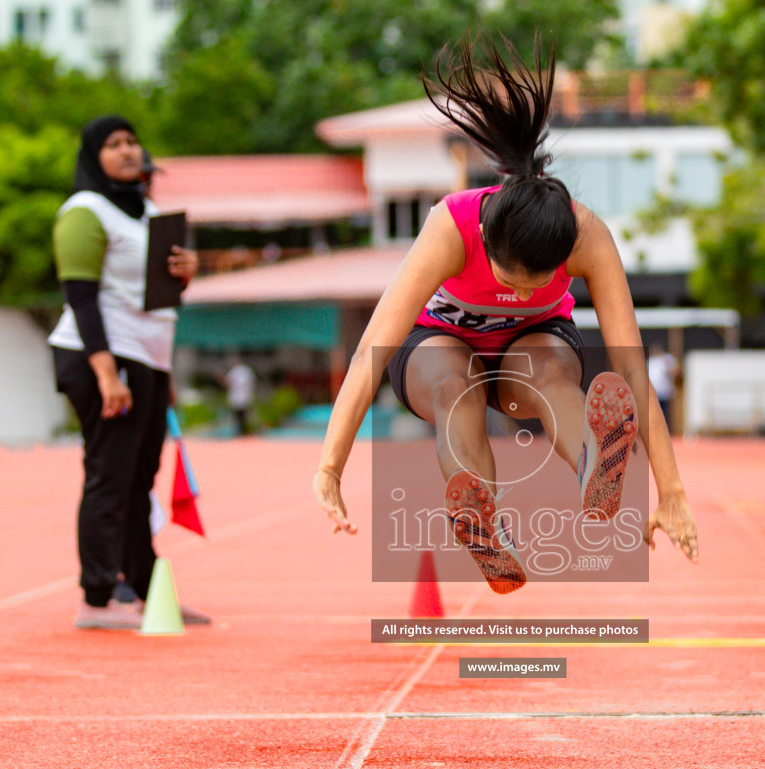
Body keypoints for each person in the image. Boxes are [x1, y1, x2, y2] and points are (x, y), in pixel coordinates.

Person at [311, 36, 699, 593]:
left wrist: (671, 490)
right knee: (456, 387)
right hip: (440, 344)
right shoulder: (451, 226)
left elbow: (632, 368)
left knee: (551, 374)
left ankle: (597, 467)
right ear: (487, 238)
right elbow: (371, 350)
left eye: (540, 280)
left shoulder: (587, 236)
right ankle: (483, 522)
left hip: (535, 348)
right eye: (508, 278)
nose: (519, 291)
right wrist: (330, 466)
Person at [50, 114, 207, 630]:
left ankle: (144, 591)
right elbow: (81, 297)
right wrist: (105, 373)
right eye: (113, 144)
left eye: (132, 141)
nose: (126, 150)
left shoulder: (148, 214)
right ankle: (97, 599)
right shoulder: (84, 211)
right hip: (101, 356)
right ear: (93, 155)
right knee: (110, 475)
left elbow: (156, 300)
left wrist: (183, 276)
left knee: (140, 477)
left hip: (147, 357)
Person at [647, 341, 680, 431]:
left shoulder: (666, 359)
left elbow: (676, 371)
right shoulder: (651, 361)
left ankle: (666, 430)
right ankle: (656, 430)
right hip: (654, 391)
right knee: (654, 412)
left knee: (665, 412)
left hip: (665, 391)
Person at [224, 360, 256, 435]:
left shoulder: (235, 371)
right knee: (244, 417)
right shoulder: (247, 371)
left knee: (239, 418)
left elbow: (229, 383)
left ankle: (241, 433)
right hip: (245, 397)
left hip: (238, 398)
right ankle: (244, 433)